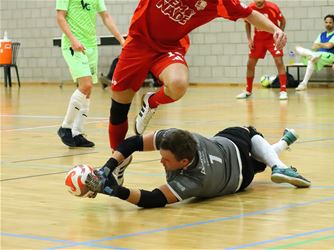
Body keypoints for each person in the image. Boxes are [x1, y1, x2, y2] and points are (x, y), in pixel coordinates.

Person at [108, 0, 287, 175]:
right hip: (138, 43)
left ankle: (151, 102)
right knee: (118, 111)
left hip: (168, 49)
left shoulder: (220, 3)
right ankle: (118, 162)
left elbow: (250, 14)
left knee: (178, 84)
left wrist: (275, 29)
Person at [85, 126, 310, 208]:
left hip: (242, 177)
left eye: (166, 160)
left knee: (252, 137)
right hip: (232, 150)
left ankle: (279, 160)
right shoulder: (177, 138)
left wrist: (115, 191)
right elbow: (133, 142)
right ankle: (281, 154)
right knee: (252, 139)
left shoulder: (193, 181)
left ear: (184, 163)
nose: (160, 161)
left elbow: (153, 199)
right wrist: (107, 168)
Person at [56, 0, 125, 147]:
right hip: (73, 45)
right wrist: (73, 39)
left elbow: (105, 16)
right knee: (85, 85)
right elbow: (60, 17)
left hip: (91, 45)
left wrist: (121, 39)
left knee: (88, 91)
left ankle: (77, 133)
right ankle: (65, 127)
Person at [236, 0, 288, 100]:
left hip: (271, 38)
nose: (257, 4)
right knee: (250, 64)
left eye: (260, 2)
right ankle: (248, 90)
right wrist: (249, 39)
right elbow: (247, 23)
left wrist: (280, 35)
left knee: (279, 61)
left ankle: (283, 90)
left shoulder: (273, 7)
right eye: (256, 2)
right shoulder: (250, 7)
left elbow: (283, 21)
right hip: (258, 39)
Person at [294, 15, 334, 91]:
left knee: (311, 57)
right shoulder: (321, 34)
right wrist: (322, 45)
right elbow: (313, 47)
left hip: (330, 56)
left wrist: (319, 44)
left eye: (330, 22)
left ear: (333, 23)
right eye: (326, 22)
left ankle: (306, 53)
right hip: (318, 55)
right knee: (311, 59)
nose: (328, 24)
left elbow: (329, 46)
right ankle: (304, 84)